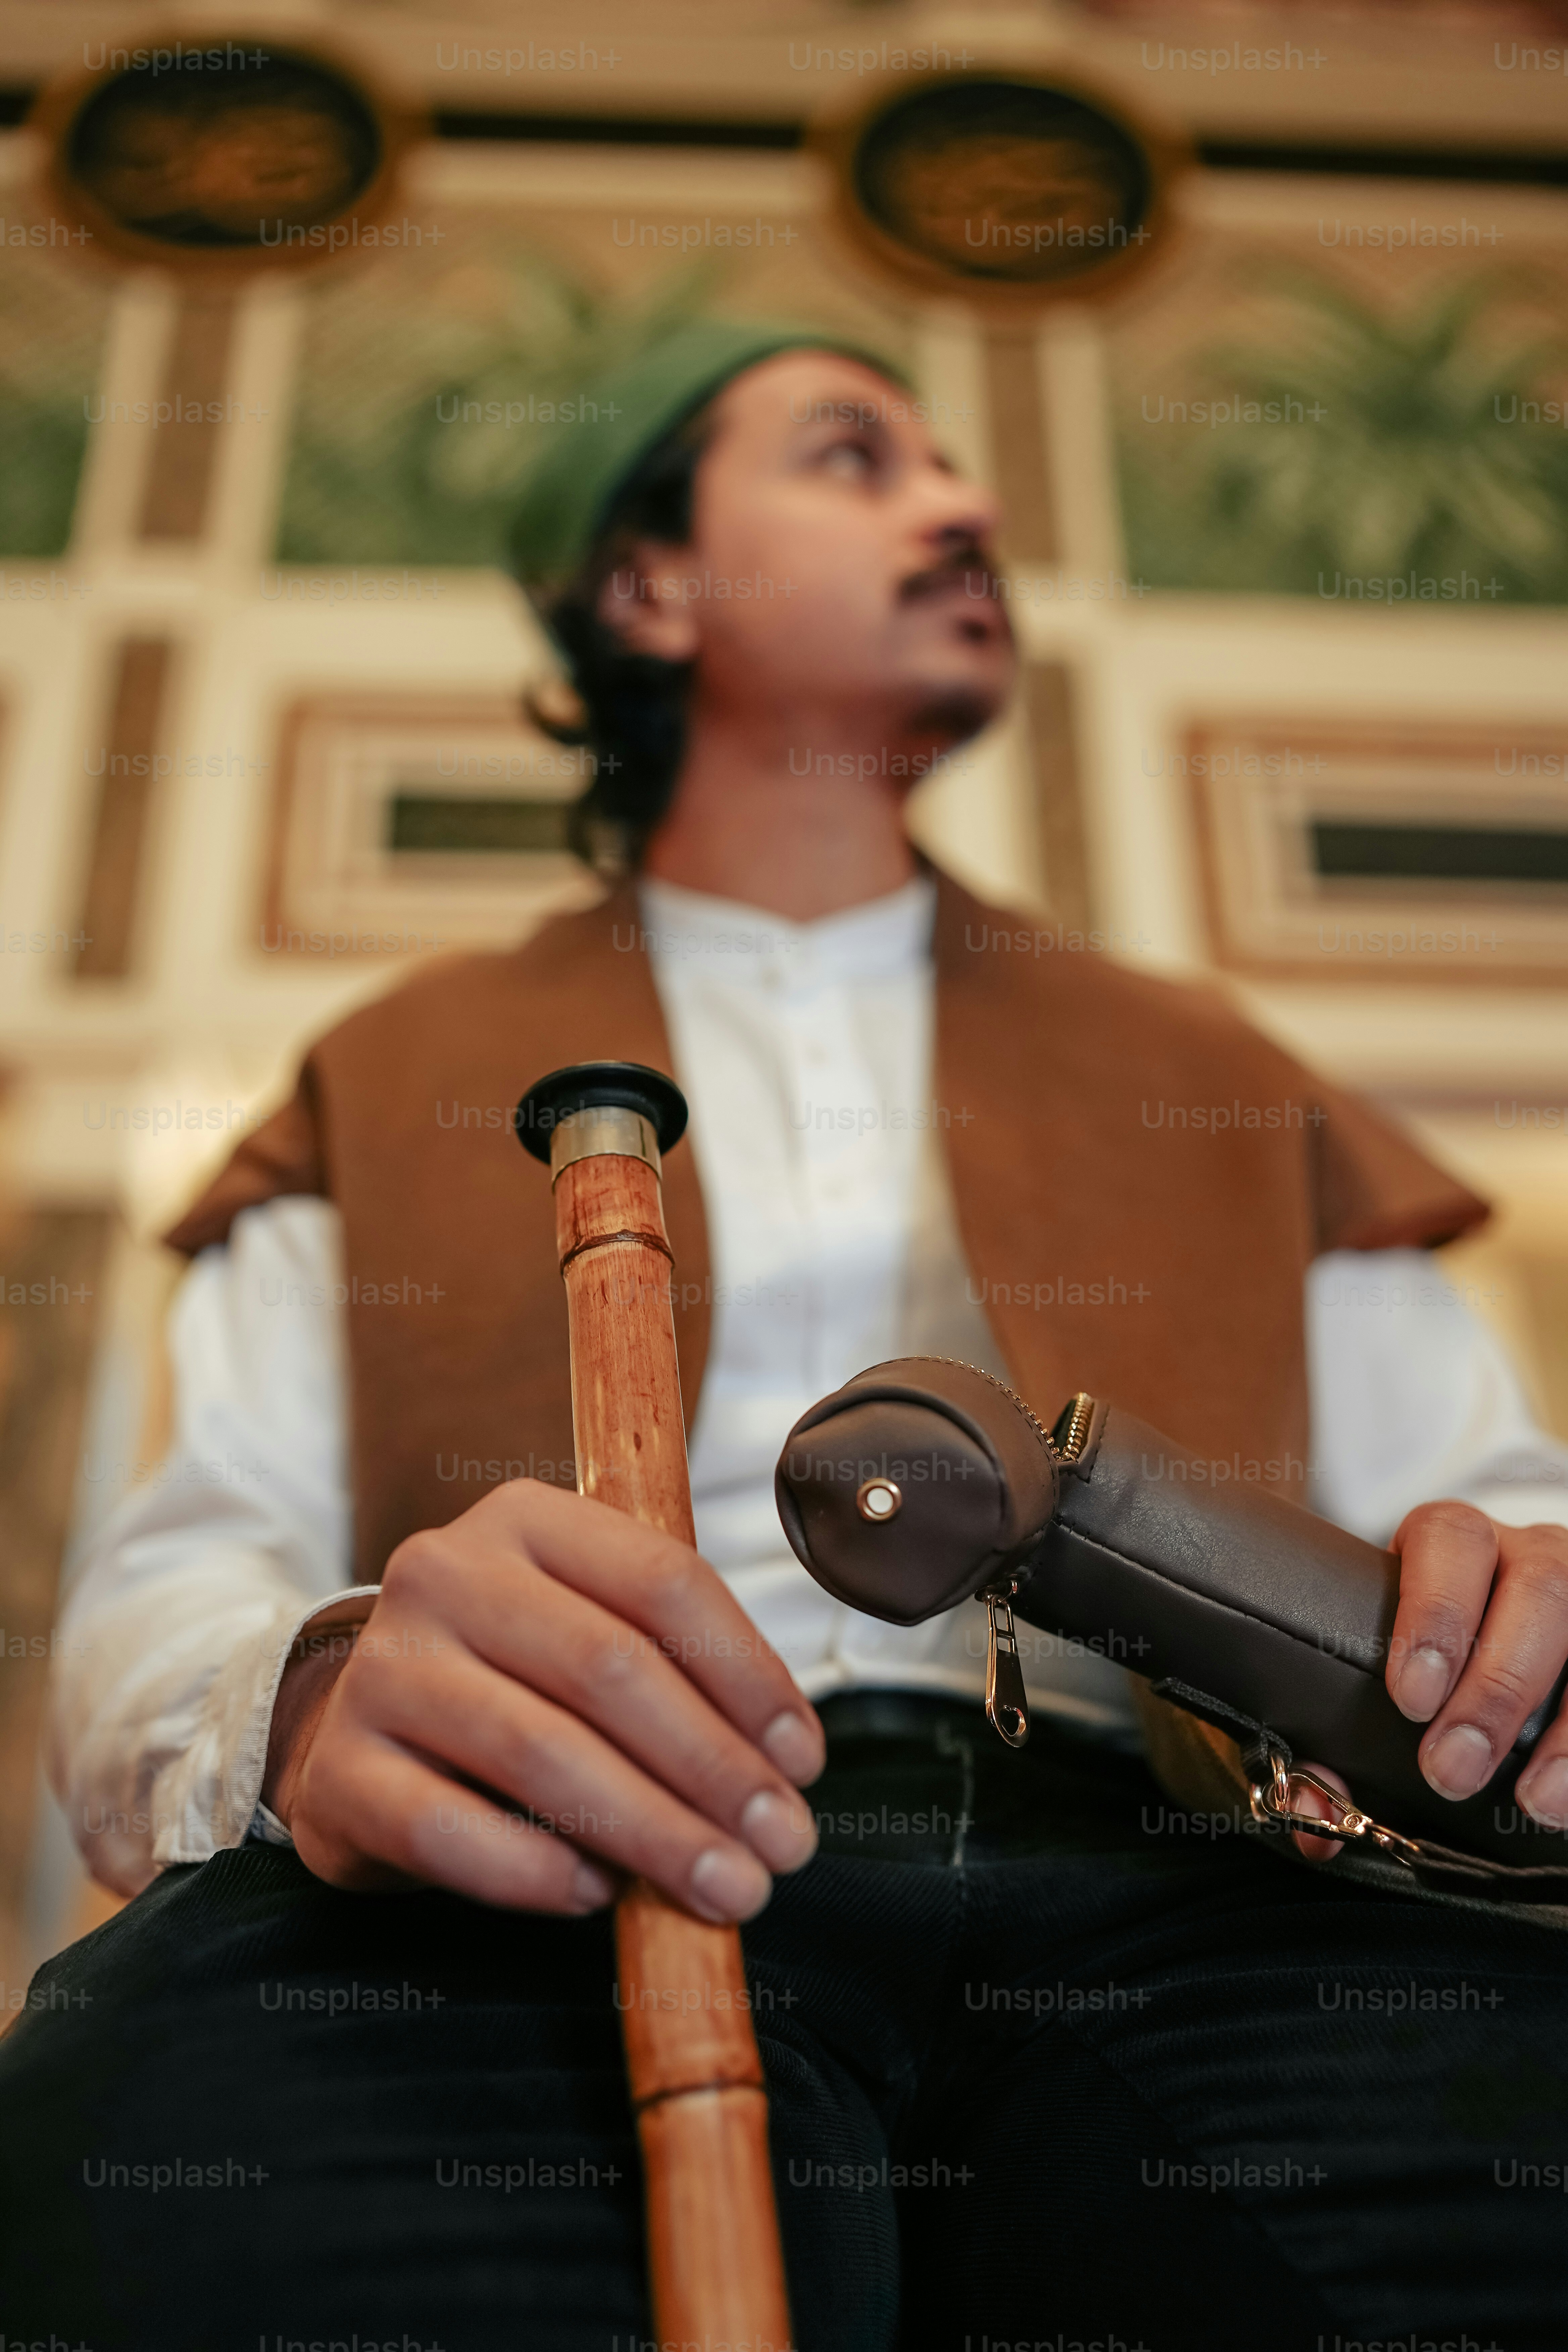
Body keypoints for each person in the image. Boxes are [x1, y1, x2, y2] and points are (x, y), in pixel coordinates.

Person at [6, 317, 1568, 2352]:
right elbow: (186, 1564)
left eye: (953, 465)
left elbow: (1502, 1499)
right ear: (652, 587)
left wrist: (1525, 1596)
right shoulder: (385, 1066)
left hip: (1224, 1885)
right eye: (857, 455)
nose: (970, 503)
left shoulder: (1213, 1066)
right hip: (525, 1862)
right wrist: (309, 1695)